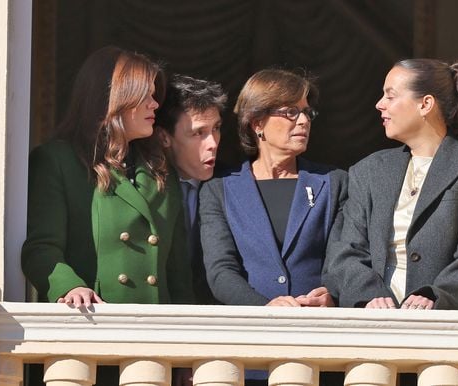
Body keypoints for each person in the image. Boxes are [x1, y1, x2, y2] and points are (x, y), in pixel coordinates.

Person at [21, 45, 193, 386]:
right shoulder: (57, 161)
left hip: (155, 344)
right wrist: (69, 287)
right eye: (145, 95)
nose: (156, 105)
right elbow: (41, 248)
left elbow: (177, 272)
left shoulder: (161, 171)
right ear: (114, 98)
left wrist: (188, 353)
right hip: (88, 333)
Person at [199, 68, 347, 385]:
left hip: (319, 351)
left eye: (307, 112)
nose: (304, 121)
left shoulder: (332, 182)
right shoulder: (220, 189)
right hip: (246, 354)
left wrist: (332, 294)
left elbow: (343, 256)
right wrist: (266, 307)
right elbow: (220, 271)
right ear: (257, 123)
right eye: (291, 112)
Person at [323, 58, 458, 312]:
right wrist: (369, 294)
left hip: (444, 325)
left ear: (425, 104)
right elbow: (345, 251)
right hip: (375, 322)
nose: (379, 105)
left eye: (390, 96)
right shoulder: (368, 171)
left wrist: (437, 295)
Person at [156, 74, 227, 304]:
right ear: (164, 138)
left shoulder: (231, 185)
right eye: (198, 133)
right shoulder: (141, 189)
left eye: (216, 128)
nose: (213, 143)